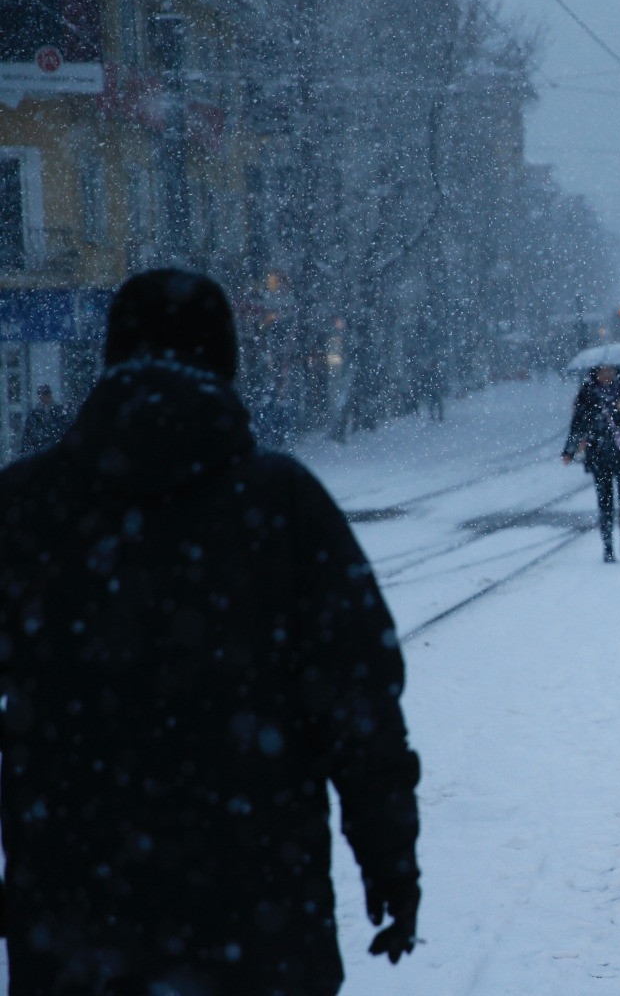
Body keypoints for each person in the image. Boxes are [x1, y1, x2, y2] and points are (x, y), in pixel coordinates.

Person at [0, 269, 421, 994]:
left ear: (111, 359)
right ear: (225, 361)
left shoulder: (23, 506)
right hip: (257, 912)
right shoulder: (282, 503)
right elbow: (360, 711)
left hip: (72, 913)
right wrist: (389, 862)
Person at [564, 363, 620, 562]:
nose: (606, 375)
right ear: (595, 372)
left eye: (610, 371)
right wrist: (569, 449)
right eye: (602, 371)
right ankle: (607, 546)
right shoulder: (587, 392)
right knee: (605, 502)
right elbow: (578, 423)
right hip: (598, 455)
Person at [18, 383, 71, 455]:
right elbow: (27, 434)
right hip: (41, 449)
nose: (43, 398)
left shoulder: (59, 411)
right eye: (41, 395)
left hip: (53, 449)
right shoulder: (34, 414)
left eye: (45, 394)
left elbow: (64, 429)